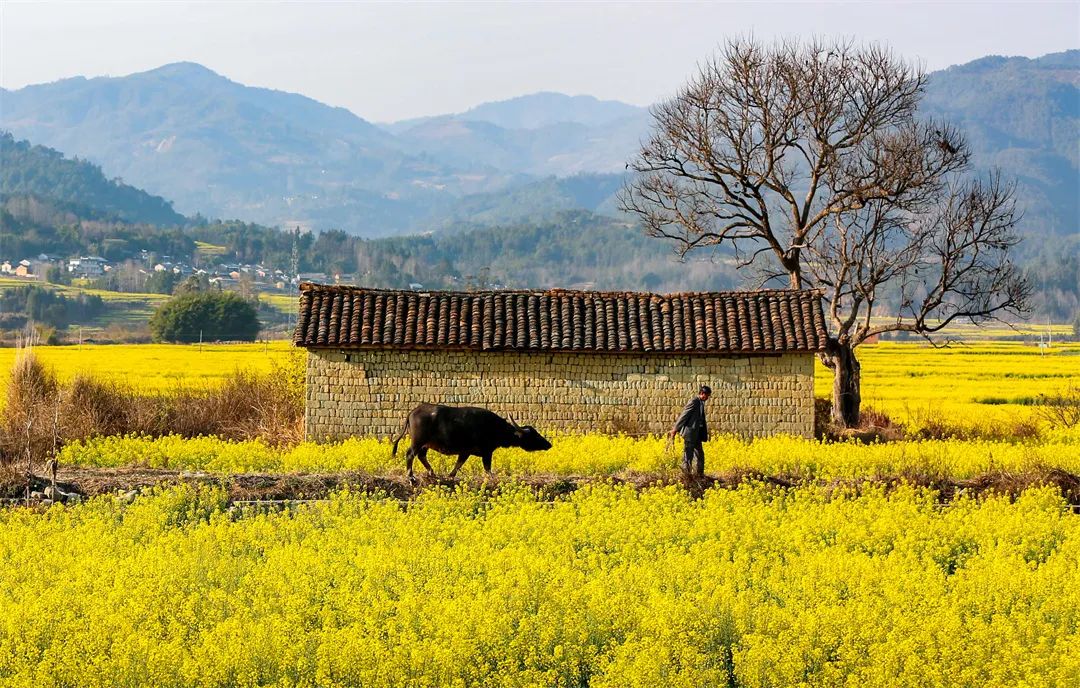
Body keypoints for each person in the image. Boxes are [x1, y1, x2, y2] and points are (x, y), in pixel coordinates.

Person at [670, 385, 711, 476]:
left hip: (696, 434)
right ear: (701, 393)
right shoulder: (694, 401)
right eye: (706, 395)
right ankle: (686, 476)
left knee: (700, 455)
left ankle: (699, 475)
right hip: (690, 434)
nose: (707, 398)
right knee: (688, 456)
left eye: (708, 396)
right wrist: (675, 429)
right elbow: (684, 415)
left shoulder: (701, 402)